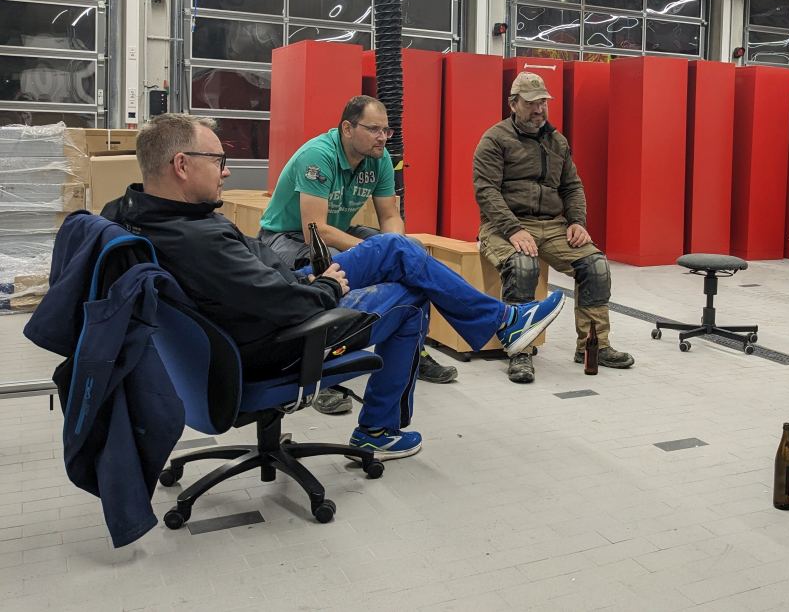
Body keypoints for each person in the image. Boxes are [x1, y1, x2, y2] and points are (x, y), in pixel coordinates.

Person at [102, 113, 564, 460]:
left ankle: (501, 322)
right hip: (286, 336)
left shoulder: (135, 215)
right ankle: (380, 428)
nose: (226, 171)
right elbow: (282, 289)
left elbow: (252, 277)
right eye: (219, 161)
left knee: (396, 250)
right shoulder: (197, 238)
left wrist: (307, 280)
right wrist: (324, 288)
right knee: (411, 297)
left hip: (268, 307)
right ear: (182, 165)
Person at [257, 96, 459, 408]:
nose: (383, 137)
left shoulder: (379, 158)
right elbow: (316, 231)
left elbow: (390, 216)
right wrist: (377, 253)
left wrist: (396, 249)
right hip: (287, 236)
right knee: (329, 264)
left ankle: (414, 350)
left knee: (412, 253)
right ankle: (317, 368)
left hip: (337, 231)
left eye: (386, 130)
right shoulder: (318, 156)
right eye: (374, 129)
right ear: (347, 128)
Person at [473, 71, 633, 384]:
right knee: (523, 267)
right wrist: (513, 229)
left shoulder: (557, 141)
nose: (539, 109)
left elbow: (572, 186)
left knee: (595, 265)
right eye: (531, 103)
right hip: (503, 225)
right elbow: (486, 191)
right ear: (513, 104)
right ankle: (520, 350)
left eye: (543, 103)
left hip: (552, 224)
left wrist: (577, 222)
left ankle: (594, 346)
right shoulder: (494, 139)